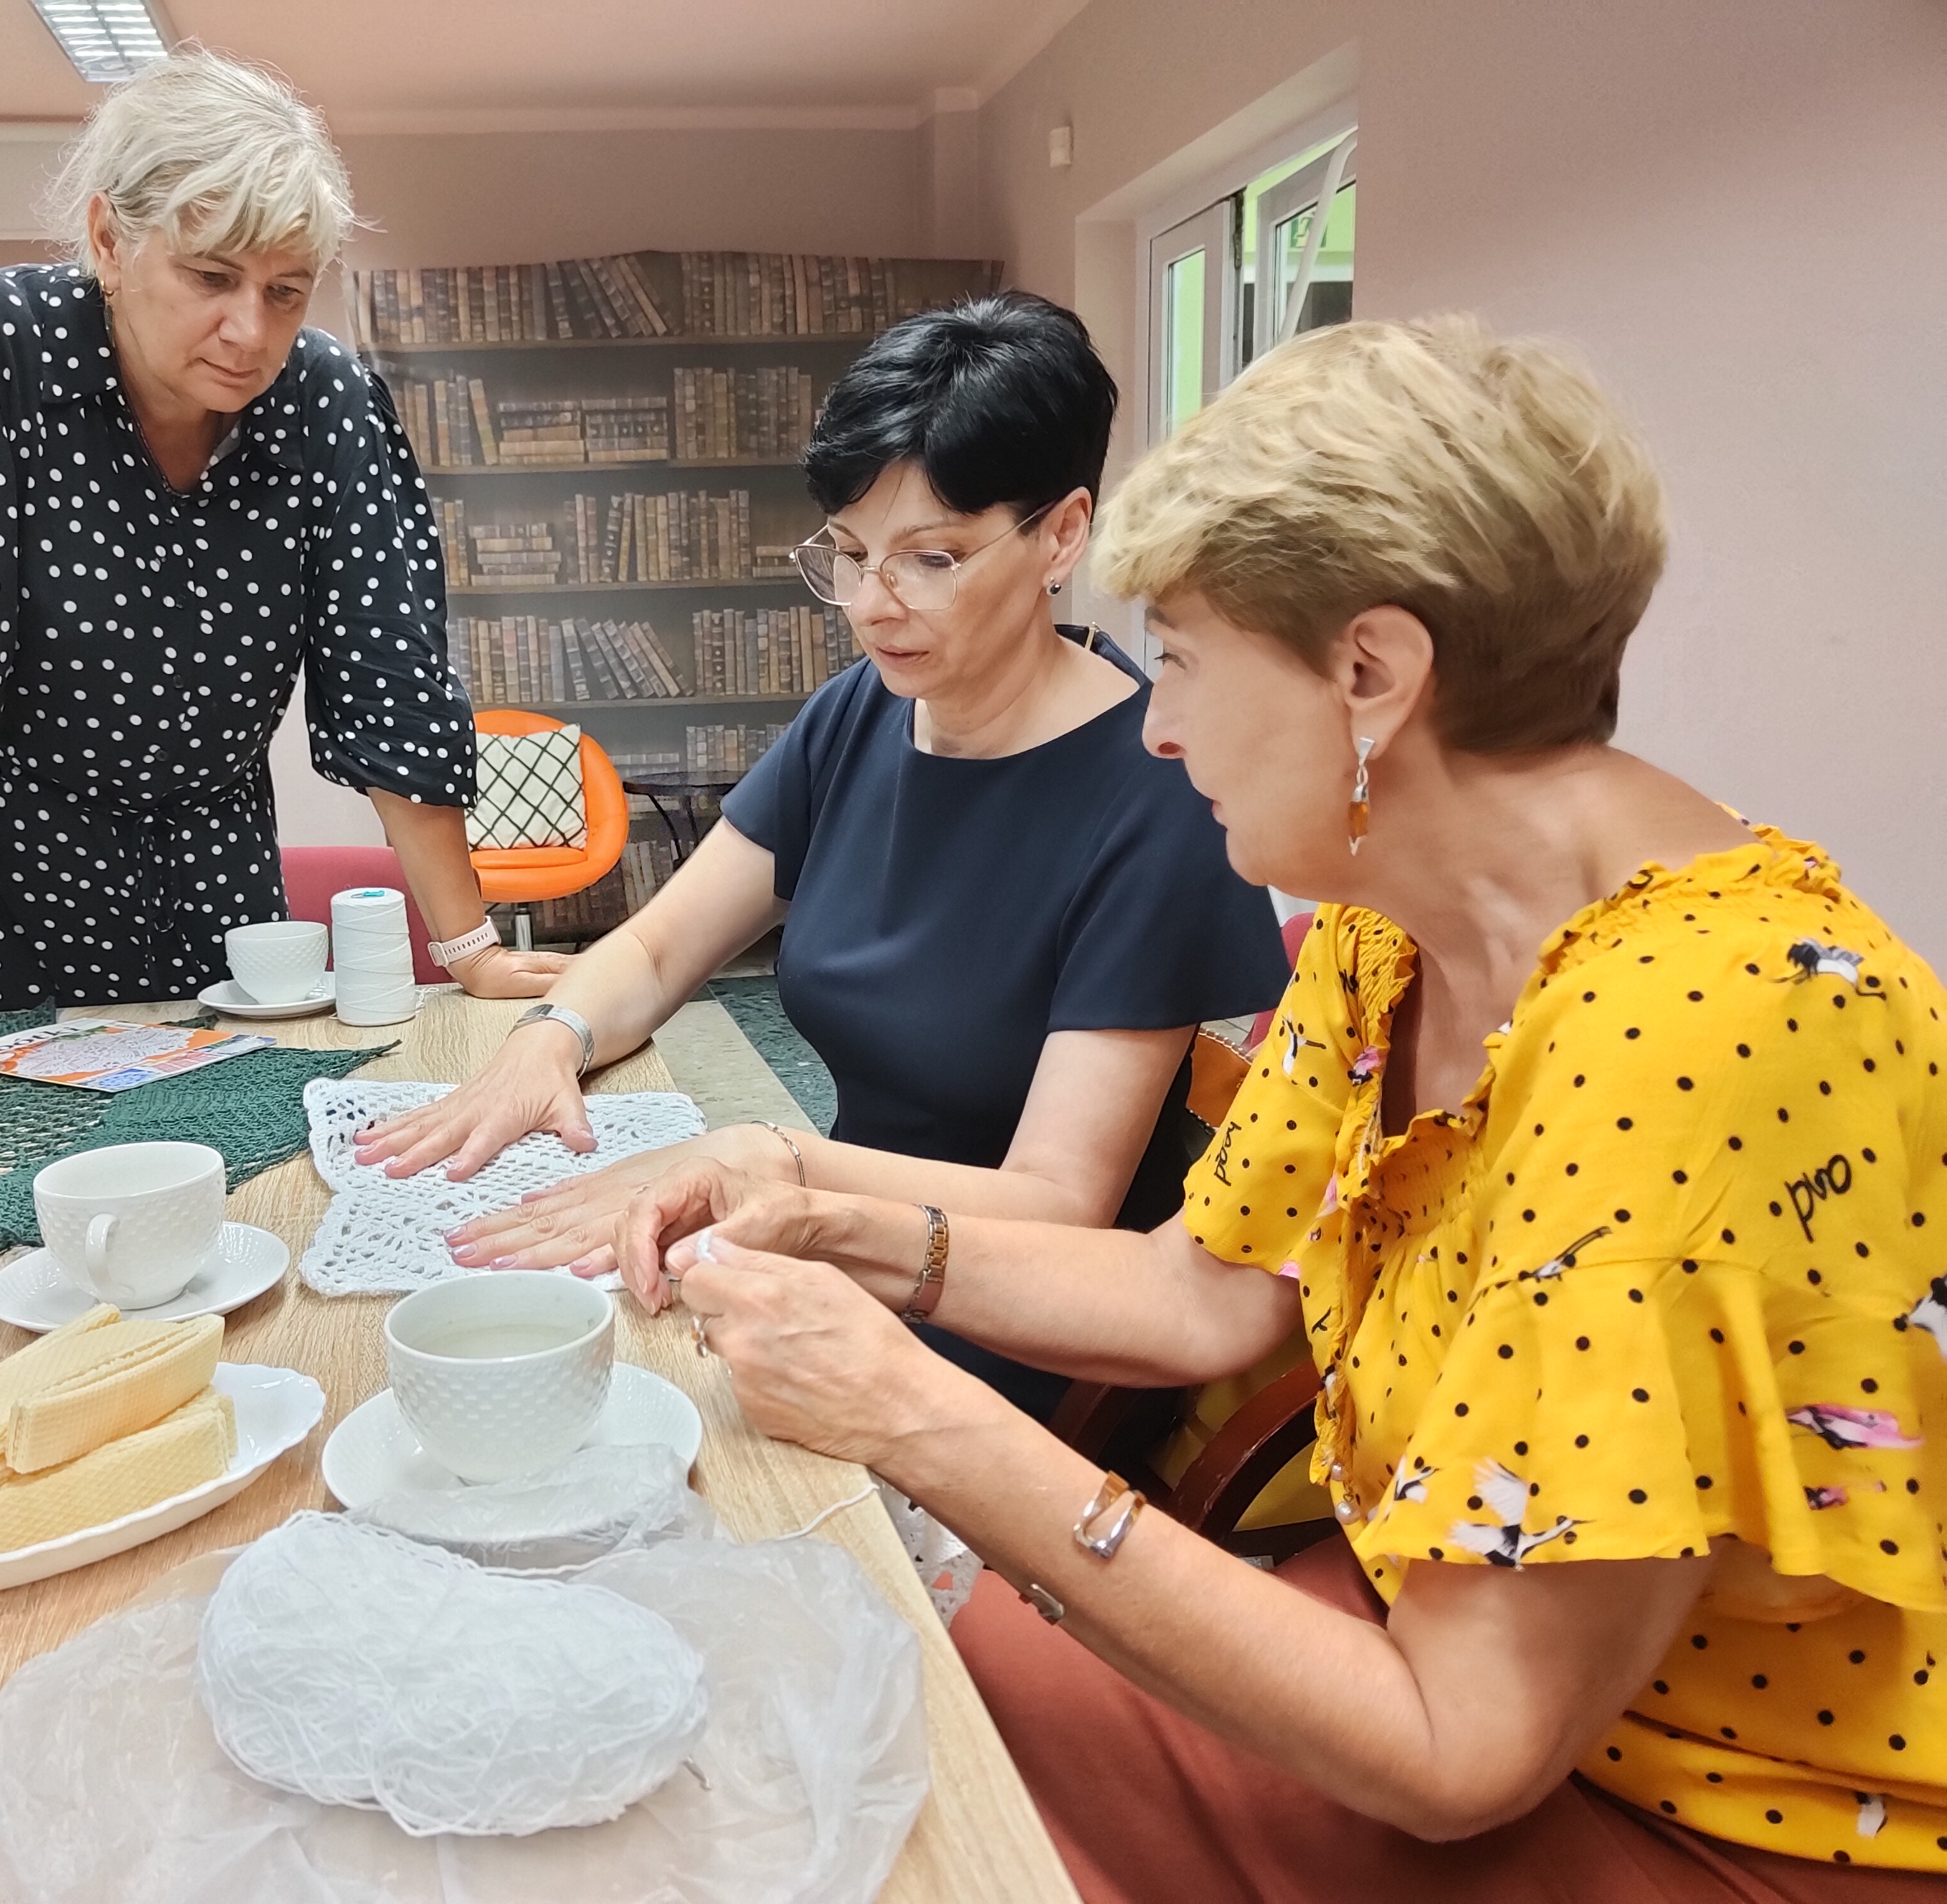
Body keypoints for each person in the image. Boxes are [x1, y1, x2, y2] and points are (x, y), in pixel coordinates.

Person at [619, 316, 1946, 1896]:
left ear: (1370, 674)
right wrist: (828, 1221)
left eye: (1181, 657)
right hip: (1418, 1626)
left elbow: (1460, 1754)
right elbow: (1200, 1291)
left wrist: (907, 1410)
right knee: (834, 1700)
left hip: (1720, 1807)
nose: (1154, 723)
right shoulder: (1388, 923)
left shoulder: (1704, 1035)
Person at [361, 292, 1290, 1417]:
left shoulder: (1155, 792)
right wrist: (550, 1040)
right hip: (829, 1252)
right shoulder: (861, 713)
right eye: (849, 554)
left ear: (1061, 534)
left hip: (1010, 1324)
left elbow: (1056, 1203)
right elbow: (657, 950)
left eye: (931, 558)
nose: (870, 606)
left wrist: (776, 1162)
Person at [0, 52, 561, 1111]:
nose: (250, 331)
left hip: (219, 896)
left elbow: (395, 688)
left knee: (235, 1154)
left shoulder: (326, 403)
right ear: (110, 241)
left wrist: (471, 949)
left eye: (286, 292)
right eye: (211, 278)